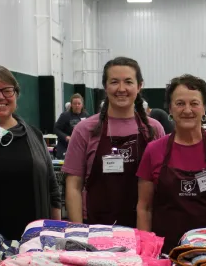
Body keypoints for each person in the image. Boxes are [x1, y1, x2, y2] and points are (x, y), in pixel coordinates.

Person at [137, 75, 206, 252]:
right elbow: (144, 207)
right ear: (170, 108)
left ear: (203, 108)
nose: (187, 110)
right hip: (166, 251)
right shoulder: (153, 150)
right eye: (180, 103)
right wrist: (147, 251)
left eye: (194, 103)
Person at [62, 57, 165, 226]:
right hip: (95, 225)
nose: (121, 89)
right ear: (105, 86)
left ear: (139, 86)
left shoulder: (153, 129)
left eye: (128, 82)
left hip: (143, 226)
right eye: (114, 82)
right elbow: (73, 186)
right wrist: (78, 231)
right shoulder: (84, 130)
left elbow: (161, 184)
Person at [0, 65, 62, 240]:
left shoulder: (34, 135)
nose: (1, 97)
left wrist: (56, 235)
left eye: (7, 90)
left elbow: (53, 190)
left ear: (16, 95)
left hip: (35, 241)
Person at [54, 93, 89, 159]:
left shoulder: (86, 115)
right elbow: (56, 129)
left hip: (80, 147)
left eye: (79, 103)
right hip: (65, 147)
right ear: (71, 105)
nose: (77, 105)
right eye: (75, 104)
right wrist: (66, 137)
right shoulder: (65, 115)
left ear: (82, 105)